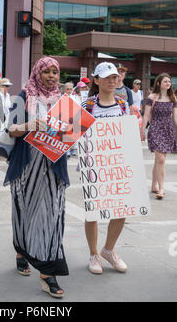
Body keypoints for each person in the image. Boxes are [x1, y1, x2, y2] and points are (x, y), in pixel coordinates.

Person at [4, 56, 69, 298]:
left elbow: (71, 133)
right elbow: (9, 128)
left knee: (52, 216)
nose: (51, 76)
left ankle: (47, 272)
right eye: (46, 71)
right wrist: (31, 125)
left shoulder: (64, 101)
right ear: (37, 73)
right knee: (23, 212)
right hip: (27, 167)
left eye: (55, 71)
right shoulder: (24, 96)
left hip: (53, 169)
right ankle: (21, 252)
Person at [81, 62, 129, 275]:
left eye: (115, 77)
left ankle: (108, 250)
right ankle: (94, 254)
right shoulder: (87, 105)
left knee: (121, 210)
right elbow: (77, 134)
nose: (112, 80)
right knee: (93, 212)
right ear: (96, 80)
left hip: (117, 165)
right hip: (93, 165)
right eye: (107, 77)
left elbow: (128, 134)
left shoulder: (123, 104)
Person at [140, 73, 177, 199]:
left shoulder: (173, 98)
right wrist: (142, 131)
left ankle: (154, 185)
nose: (168, 83)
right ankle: (161, 188)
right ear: (158, 83)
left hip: (168, 130)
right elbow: (145, 115)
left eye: (169, 82)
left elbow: (175, 118)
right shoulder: (152, 97)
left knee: (158, 160)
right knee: (161, 159)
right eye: (165, 81)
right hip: (155, 129)